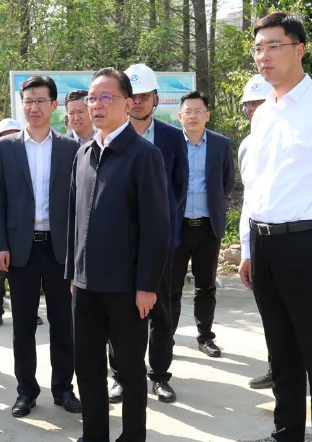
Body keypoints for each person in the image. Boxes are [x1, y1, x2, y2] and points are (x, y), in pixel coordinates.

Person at [239, 12, 312, 442]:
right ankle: (286, 432)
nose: (264, 56)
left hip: (308, 244)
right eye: (258, 48)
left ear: (300, 49)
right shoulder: (264, 114)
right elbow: (255, 187)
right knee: (281, 353)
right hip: (265, 245)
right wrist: (248, 248)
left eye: (274, 46)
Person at [67, 67, 169, 442]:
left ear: (127, 104)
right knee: (87, 366)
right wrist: (72, 274)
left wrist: (147, 286)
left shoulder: (144, 155)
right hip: (85, 286)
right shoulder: (83, 154)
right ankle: (94, 434)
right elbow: (75, 219)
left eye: (105, 97)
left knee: (129, 371)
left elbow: (157, 228)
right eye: (92, 98)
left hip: (126, 288)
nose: (96, 104)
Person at [0, 75, 81, 418]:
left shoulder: (71, 148)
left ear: (54, 105)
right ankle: (26, 391)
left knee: (63, 323)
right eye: (28, 101)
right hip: (21, 249)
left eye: (41, 100)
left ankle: (63, 389)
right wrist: (0, 245)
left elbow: (79, 204)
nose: (34, 107)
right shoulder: (5, 148)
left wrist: (78, 251)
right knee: (23, 325)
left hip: (60, 250)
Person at [107, 63, 188, 404]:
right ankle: (121, 376)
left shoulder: (172, 137)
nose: (138, 102)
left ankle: (160, 375)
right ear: (125, 99)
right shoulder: (111, 135)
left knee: (161, 310)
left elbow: (178, 188)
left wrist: (158, 224)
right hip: (119, 243)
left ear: (156, 98)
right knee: (119, 312)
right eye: (133, 96)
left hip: (160, 243)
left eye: (144, 96)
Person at [171, 90, 234, 358]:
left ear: (207, 115)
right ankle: (166, 337)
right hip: (177, 227)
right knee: (171, 287)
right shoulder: (171, 143)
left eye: (198, 111)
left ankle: (205, 337)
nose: (193, 116)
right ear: (180, 116)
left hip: (208, 227)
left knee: (206, 286)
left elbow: (227, 183)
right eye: (188, 112)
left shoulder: (221, 144)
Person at [236, 74, 276, 390]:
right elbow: (249, 200)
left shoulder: (293, 135)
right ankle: (278, 367)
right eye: (249, 104)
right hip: (261, 243)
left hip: (299, 241)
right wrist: (246, 251)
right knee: (272, 315)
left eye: (259, 102)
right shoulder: (246, 146)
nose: (253, 109)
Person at [0, 118, 23, 329]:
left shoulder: (26, 158)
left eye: (14, 134)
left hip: (21, 229)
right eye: (5, 135)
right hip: (0, 227)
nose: (10, 138)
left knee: (24, 275)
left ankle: (28, 310)